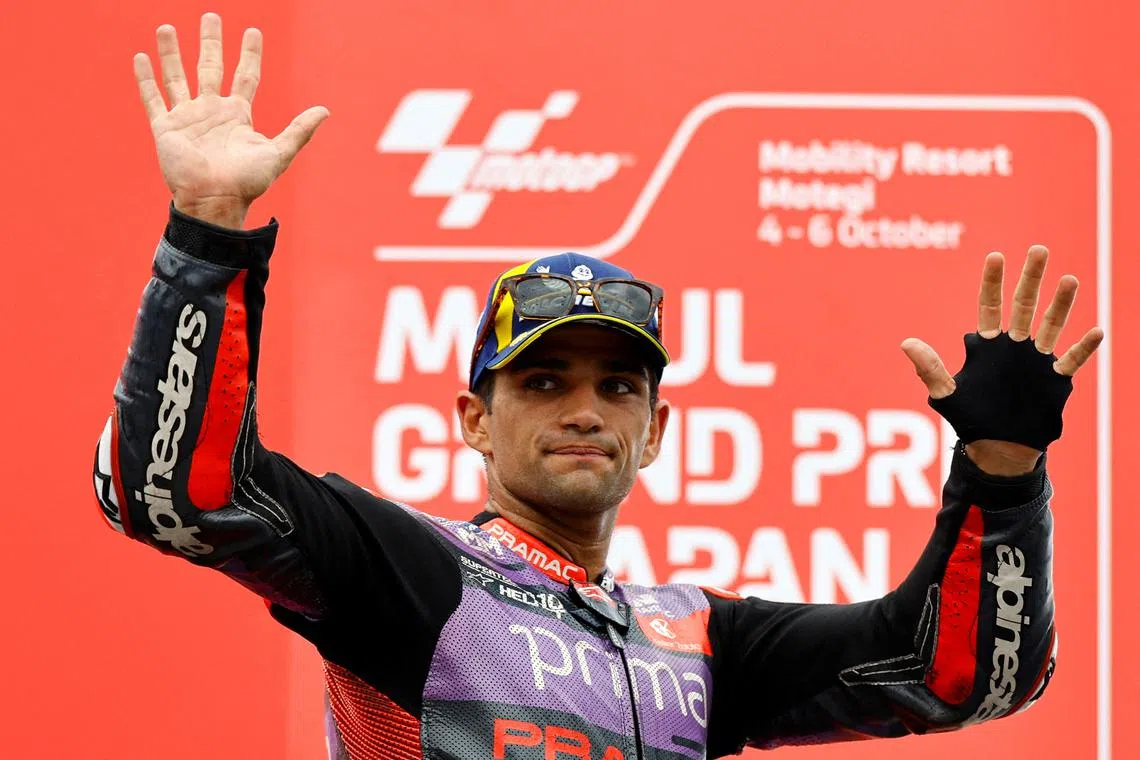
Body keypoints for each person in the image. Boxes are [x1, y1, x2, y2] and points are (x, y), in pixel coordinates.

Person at [94, 12, 1104, 760]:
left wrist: (1002, 471)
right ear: (475, 420)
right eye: (543, 380)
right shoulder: (407, 576)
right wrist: (208, 232)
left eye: (619, 386)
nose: (584, 409)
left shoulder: (699, 642)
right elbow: (178, 493)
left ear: (655, 430)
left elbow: (956, 677)